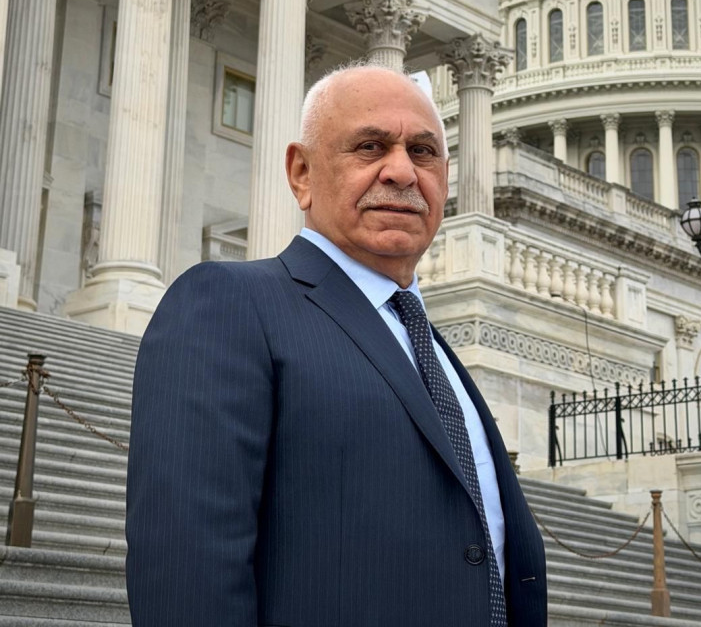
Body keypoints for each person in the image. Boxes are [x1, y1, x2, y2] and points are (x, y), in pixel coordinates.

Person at [125, 65, 547, 627]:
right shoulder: (228, 305)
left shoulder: (432, 348)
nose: (402, 171)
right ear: (301, 173)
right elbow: (187, 573)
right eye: (370, 146)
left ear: (445, 180)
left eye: (423, 152)